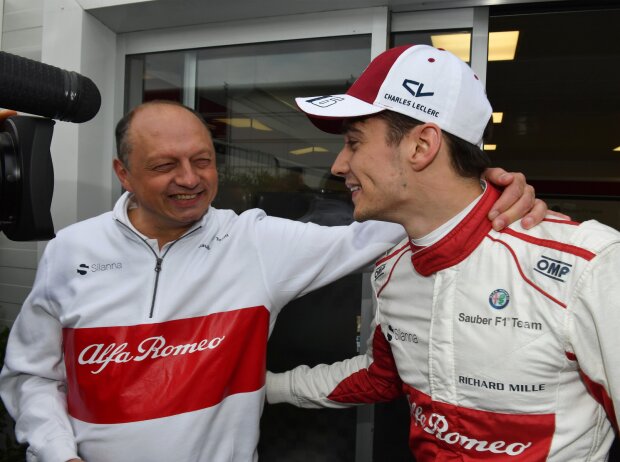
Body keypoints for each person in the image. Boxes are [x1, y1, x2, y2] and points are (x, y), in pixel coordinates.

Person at [0, 100, 543, 462]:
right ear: (124, 173)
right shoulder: (72, 251)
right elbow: (30, 375)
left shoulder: (254, 244)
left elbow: (387, 224)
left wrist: (485, 193)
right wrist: (56, 452)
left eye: (203, 161)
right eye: (166, 165)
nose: (190, 180)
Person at [266, 44, 620, 460]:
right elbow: (382, 376)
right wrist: (262, 387)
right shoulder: (392, 269)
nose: (339, 165)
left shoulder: (588, 264)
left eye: (354, 142)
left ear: (421, 146)